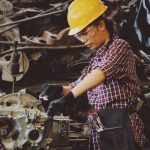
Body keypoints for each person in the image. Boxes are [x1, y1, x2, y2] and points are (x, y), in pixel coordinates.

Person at [45, 0, 147, 149]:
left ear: (100, 24)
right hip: (100, 127)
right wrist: (58, 89)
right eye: (79, 36)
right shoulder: (96, 59)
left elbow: (101, 73)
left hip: (120, 126)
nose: (83, 40)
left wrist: (69, 97)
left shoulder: (120, 47)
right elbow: (78, 85)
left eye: (85, 33)